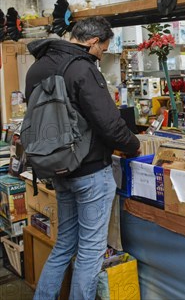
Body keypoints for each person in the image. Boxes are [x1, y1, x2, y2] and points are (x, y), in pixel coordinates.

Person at [25, 16, 140, 300]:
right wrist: (133, 145)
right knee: (90, 251)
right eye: (102, 48)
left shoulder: (37, 66)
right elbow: (109, 124)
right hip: (90, 171)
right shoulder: (82, 68)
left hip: (56, 167)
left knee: (64, 243)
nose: (101, 55)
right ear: (92, 42)